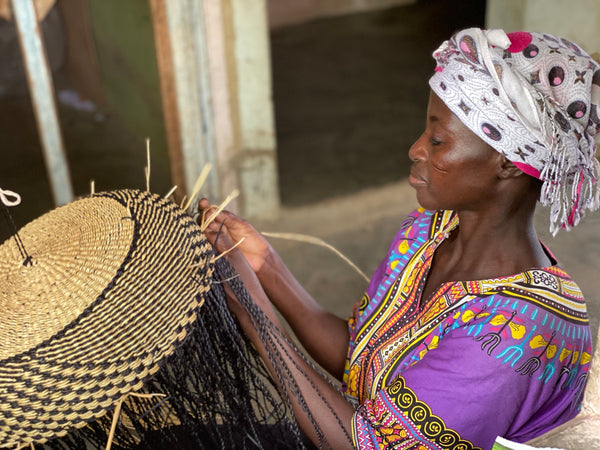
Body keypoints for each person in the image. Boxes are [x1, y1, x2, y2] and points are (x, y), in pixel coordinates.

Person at [199, 28, 600, 450]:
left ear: (507, 164)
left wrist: (254, 316)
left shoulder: (517, 334)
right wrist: (265, 265)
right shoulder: (426, 232)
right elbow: (357, 361)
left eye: (438, 140)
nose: (415, 149)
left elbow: (369, 442)